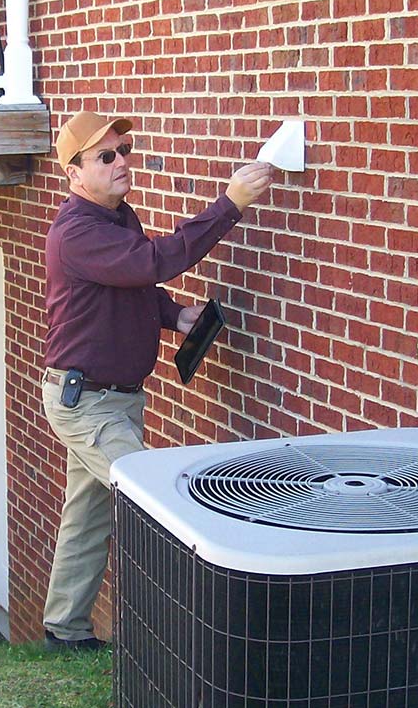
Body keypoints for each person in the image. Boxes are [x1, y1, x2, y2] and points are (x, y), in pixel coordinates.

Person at [40, 111, 273, 651]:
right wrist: (230, 202)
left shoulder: (118, 218)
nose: (122, 161)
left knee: (88, 515)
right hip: (87, 404)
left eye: (125, 149)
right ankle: (176, 641)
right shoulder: (78, 232)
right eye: (106, 156)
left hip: (112, 399)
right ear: (74, 174)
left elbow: (131, 284)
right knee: (154, 505)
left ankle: (64, 630)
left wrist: (173, 317)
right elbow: (157, 261)